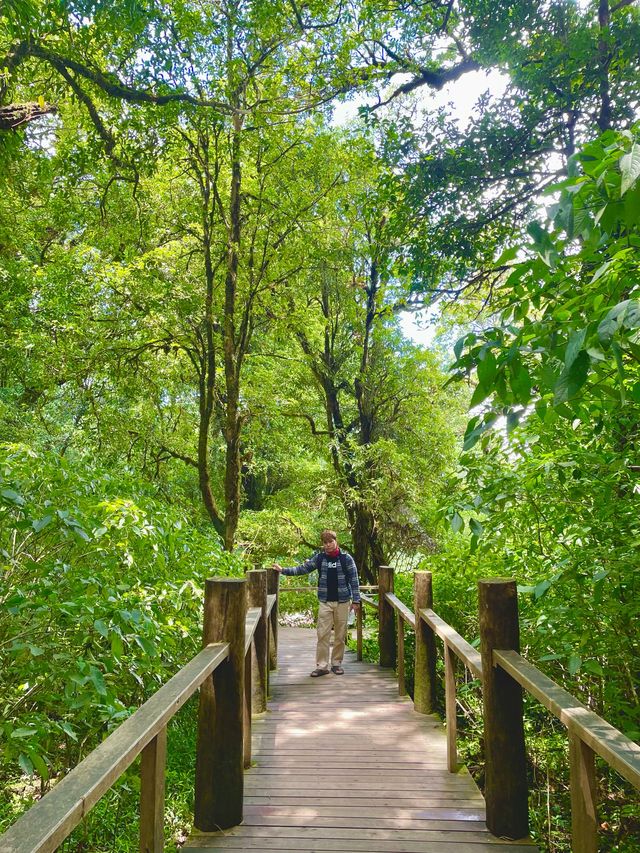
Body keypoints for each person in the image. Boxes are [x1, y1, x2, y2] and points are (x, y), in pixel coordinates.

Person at [272, 529, 361, 677]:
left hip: (343, 602)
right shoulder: (320, 558)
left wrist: (356, 600)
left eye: (330, 542)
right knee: (322, 634)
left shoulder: (346, 559)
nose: (328, 545)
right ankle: (322, 666)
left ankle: (337, 663)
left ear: (336, 541)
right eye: (325, 543)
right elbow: (302, 568)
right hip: (325, 601)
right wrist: (283, 570)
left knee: (340, 635)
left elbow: (354, 580)